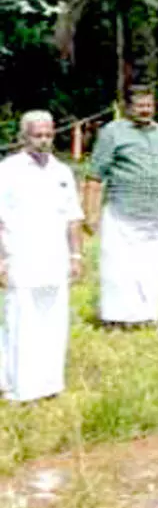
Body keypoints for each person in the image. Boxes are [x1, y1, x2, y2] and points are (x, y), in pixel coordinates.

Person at [0, 112, 84, 402]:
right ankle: (17, 387)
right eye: (38, 135)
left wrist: (76, 255)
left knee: (53, 322)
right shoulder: (8, 170)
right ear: (24, 137)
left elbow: (73, 217)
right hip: (20, 258)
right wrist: (1, 260)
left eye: (48, 135)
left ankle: (49, 384)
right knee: (20, 321)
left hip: (55, 260)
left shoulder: (62, 171)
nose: (44, 140)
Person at [84, 86, 158, 329]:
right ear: (128, 107)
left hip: (155, 212)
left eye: (149, 105)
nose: (145, 110)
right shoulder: (113, 132)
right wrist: (90, 214)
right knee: (118, 267)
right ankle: (116, 318)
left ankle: (146, 317)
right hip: (122, 209)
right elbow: (95, 176)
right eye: (140, 105)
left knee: (151, 267)